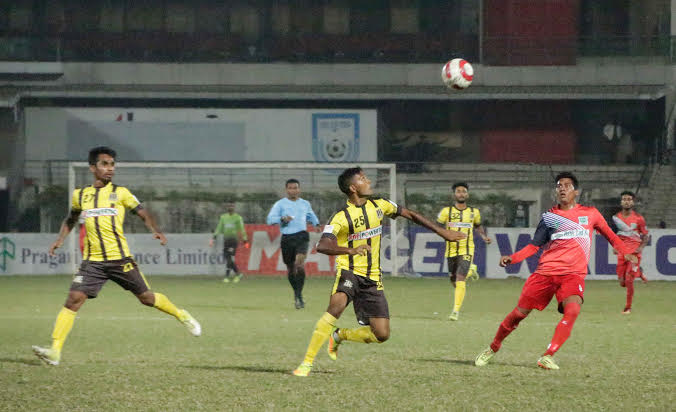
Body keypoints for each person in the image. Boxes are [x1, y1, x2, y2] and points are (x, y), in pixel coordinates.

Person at [32, 147, 201, 366]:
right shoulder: (80, 195)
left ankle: (181, 314)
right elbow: (71, 218)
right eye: (104, 164)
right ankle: (55, 351)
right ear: (93, 168)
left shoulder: (121, 193)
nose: (110, 168)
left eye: (112, 164)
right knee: (73, 300)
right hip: (93, 262)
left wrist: (154, 229)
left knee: (147, 298)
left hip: (120, 260)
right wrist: (60, 239)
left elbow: (142, 212)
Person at [292, 167, 466, 376]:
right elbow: (322, 246)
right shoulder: (340, 217)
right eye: (363, 179)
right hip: (349, 271)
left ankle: (339, 336)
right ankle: (306, 364)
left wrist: (442, 232)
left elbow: (410, 214)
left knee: (382, 334)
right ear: (353, 187)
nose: (369, 181)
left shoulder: (380, 205)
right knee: (335, 308)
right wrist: (351, 249)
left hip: (373, 277)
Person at [474, 172, 637, 370]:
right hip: (545, 273)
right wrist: (513, 258)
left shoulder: (591, 214)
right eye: (559, 185)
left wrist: (626, 252)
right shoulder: (550, 217)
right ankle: (492, 347)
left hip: (573, 274)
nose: (562, 188)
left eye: (567, 185)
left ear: (576, 191)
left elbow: (612, 236)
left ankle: (548, 355)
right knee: (519, 314)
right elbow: (534, 246)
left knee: (573, 309)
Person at [436, 182, 491, 321]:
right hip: (450, 250)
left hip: (467, 249)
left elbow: (478, 226)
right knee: (454, 281)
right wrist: (444, 233)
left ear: (467, 194)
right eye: (458, 191)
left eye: (464, 191)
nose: (461, 193)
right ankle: (471, 271)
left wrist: (484, 236)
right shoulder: (446, 211)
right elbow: (437, 227)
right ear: (454, 194)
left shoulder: (474, 212)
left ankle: (455, 311)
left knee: (460, 278)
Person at [266, 179, 320, 309]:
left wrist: (316, 224)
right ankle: (297, 295)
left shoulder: (305, 204)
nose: (293, 190)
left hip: (302, 236)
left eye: (295, 188)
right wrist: (282, 219)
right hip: (287, 238)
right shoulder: (280, 204)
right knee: (291, 268)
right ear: (286, 190)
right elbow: (270, 219)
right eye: (290, 188)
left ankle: (298, 295)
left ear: (299, 189)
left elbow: (310, 215)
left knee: (299, 264)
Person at [612, 191, 650, 314]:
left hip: (634, 253)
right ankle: (639, 272)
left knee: (629, 280)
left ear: (633, 202)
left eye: (629, 199)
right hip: (623, 253)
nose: (626, 201)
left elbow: (645, 235)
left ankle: (628, 307)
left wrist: (641, 247)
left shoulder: (639, 218)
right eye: (624, 199)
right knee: (622, 282)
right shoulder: (616, 218)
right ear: (621, 202)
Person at [209, 202, 248, 283]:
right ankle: (238, 274)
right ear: (227, 207)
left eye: (232, 205)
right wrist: (214, 238)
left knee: (229, 257)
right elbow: (219, 228)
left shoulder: (238, 218)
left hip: (233, 240)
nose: (230, 207)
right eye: (229, 206)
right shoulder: (223, 217)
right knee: (227, 257)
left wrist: (245, 240)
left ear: (234, 207)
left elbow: (242, 229)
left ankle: (227, 277)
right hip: (226, 240)